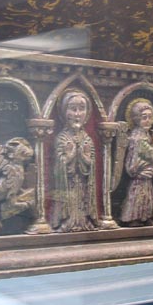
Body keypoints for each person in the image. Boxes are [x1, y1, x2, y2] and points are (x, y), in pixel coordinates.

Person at [50, 90, 98, 232]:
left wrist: (84, 156)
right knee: (70, 201)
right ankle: (67, 222)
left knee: (81, 200)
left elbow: (91, 165)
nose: (77, 114)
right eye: (73, 109)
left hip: (82, 183)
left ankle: (83, 222)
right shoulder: (62, 138)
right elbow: (59, 166)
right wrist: (70, 156)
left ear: (87, 113)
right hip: (67, 184)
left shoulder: (87, 138)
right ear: (65, 112)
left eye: (81, 109)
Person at [120, 98, 153, 226]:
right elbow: (151, 155)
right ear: (136, 119)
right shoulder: (138, 136)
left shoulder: (146, 134)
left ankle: (145, 217)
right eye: (144, 117)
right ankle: (133, 218)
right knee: (137, 195)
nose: (148, 120)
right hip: (138, 172)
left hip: (146, 173)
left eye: (150, 117)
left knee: (146, 195)